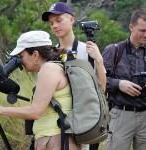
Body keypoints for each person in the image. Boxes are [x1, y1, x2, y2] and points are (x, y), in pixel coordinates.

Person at [0, 30, 82, 150]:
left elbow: (35, 112)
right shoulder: (57, 66)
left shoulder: (48, 69)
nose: (21, 61)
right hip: (58, 139)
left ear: (36, 55)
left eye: (22, 56)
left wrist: (0, 109)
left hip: (56, 140)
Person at [41, 2, 106, 150]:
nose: (55, 26)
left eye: (59, 20)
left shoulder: (87, 50)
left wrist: (99, 61)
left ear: (72, 20)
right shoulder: (50, 54)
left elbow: (101, 88)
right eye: (51, 23)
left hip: (84, 122)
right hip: (58, 123)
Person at [102, 9, 146, 150]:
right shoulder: (114, 50)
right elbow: (97, 81)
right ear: (131, 27)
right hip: (121, 115)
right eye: (142, 30)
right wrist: (119, 84)